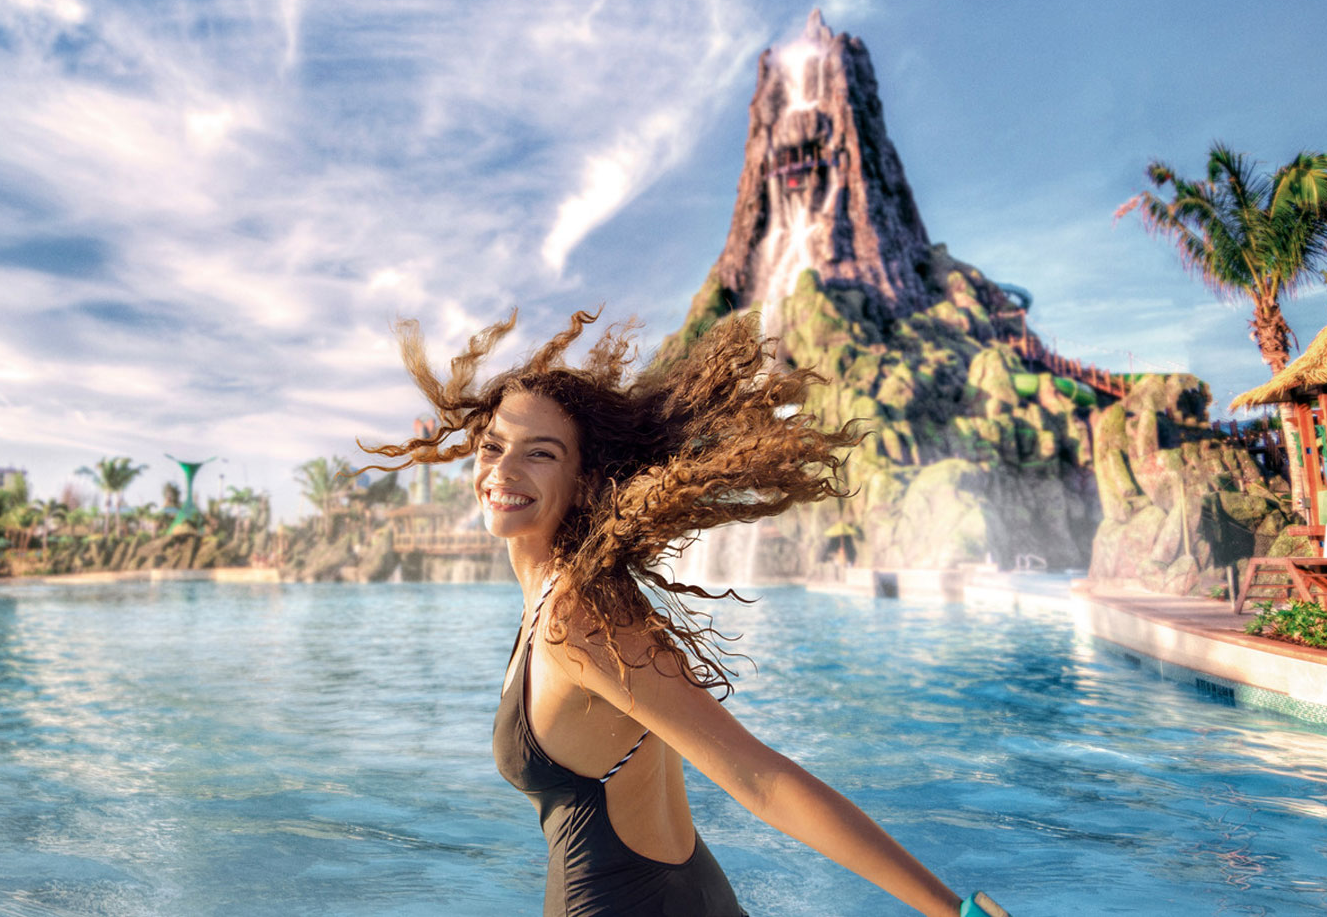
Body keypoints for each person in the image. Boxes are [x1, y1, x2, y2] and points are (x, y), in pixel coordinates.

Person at [362, 309, 1009, 917]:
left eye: (539, 452)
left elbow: (759, 778)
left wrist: (952, 910)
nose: (502, 469)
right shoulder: (571, 596)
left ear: (586, 480)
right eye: (492, 446)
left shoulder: (576, 620)